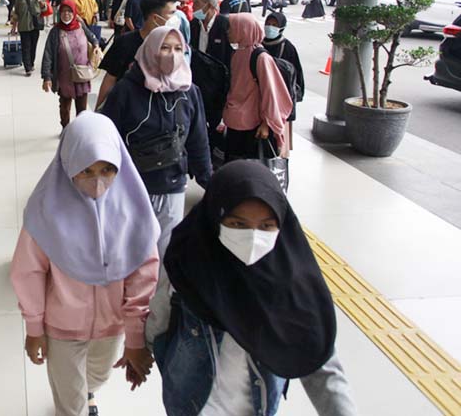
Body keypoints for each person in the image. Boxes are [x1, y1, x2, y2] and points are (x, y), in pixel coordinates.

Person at [151, 160, 357, 416]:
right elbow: (159, 319)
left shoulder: (291, 287)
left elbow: (320, 361)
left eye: (266, 226)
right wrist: (142, 349)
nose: (252, 237)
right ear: (214, 218)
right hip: (192, 405)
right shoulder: (187, 264)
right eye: (238, 224)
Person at [10, 112, 160, 416]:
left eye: (107, 169)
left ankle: (89, 390)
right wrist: (34, 327)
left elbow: (144, 273)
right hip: (62, 324)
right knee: (69, 401)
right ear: (67, 165)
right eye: (85, 171)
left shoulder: (134, 211)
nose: (98, 181)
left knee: (99, 374)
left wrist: (134, 335)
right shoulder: (45, 212)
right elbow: (28, 273)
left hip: (111, 323)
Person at [100, 27, 213, 257]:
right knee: (131, 250)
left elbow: (198, 141)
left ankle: (159, 294)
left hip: (173, 186)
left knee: (165, 252)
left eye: (178, 49)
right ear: (151, 49)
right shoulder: (126, 91)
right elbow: (107, 141)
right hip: (133, 187)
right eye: (164, 47)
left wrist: (209, 182)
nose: (172, 55)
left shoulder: (189, 92)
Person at [223, 14, 293, 161]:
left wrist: (266, 124)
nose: (228, 31)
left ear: (244, 29)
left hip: (254, 127)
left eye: (232, 28)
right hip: (236, 122)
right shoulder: (238, 54)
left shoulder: (260, 57)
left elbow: (271, 94)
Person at [96, 0, 179, 107]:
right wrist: (99, 112)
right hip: (128, 111)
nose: (177, 18)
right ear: (155, 18)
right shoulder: (124, 42)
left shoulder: (174, 45)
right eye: (172, 13)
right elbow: (110, 78)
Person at [190, 0, 233, 163]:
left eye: (197, 4)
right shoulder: (194, 25)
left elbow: (230, 59)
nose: (194, 7)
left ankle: (213, 159)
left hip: (218, 86)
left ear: (209, 6)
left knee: (215, 124)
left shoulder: (225, 25)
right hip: (198, 83)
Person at [41, 1, 100, 128]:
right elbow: (48, 54)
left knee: (82, 110)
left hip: (81, 76)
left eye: (69, 11)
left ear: (74, 13)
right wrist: (47, 77)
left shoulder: (80, 25)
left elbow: (91, 36)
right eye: (63, 11)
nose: (66, 14)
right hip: (64, 78)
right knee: (64, 107)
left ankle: (80, 131)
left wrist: (95, 44)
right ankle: (66, 130)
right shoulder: (55, 32)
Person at [264, 12, 306, 142]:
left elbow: (297, 75)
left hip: (282, 98)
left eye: (274, 25)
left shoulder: (288, 48)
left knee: (280, 137)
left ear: (281, 27)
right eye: (268, 24)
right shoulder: (259, 43)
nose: (270, 27)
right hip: (264, 96)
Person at [11, 0, 46, 77]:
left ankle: (31, 63)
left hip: (35, 25)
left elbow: (45, 8)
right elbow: (16, 11)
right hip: (23, 25)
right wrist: (14, 24)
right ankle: (27, 67)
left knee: (33, 46)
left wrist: (40, 1)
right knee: (26, 46)